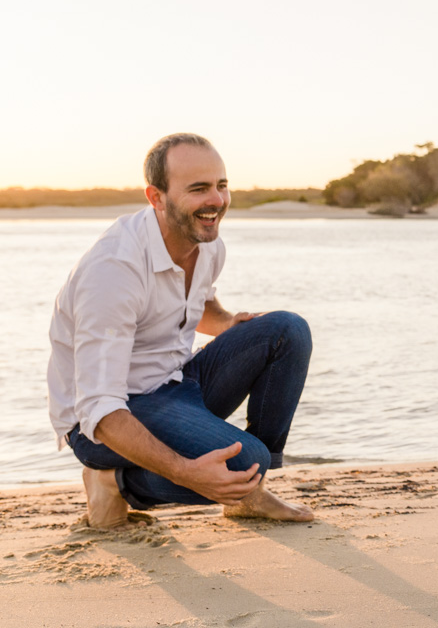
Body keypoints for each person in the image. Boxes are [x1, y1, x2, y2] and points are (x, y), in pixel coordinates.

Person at [47, 133, 315, 530]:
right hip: (103, 421)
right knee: (245, 463)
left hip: (175, 384)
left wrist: (227, 323)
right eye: (199, 189)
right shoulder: (113, 271)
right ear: (156, 197)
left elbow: (198, 302)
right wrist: (185, 472)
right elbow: (99, 409)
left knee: (286, 330)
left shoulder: (205, 242)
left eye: (222, 185)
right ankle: (114, 482)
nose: (217, 200)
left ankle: (250, 493)